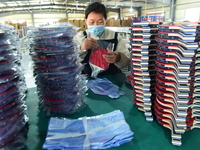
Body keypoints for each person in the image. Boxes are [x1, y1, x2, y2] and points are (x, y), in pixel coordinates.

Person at [75, 2, 130, 77]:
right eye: (92, 22)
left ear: (105, 20)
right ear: (85, 20)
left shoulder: (114, 36)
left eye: (100, 22)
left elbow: (127, 60)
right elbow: (72, 61)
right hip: (87, 79)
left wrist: (118, 58)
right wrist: (82, 49)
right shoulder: (80, 36)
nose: (96, 25)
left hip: (112, 78)